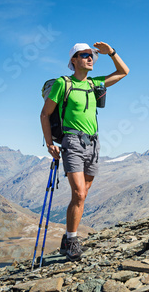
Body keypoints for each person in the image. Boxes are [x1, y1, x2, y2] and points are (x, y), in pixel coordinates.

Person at [40, 41, 129, 261]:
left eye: (91, 55)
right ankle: (72, 241)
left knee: (83, 195)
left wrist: (112, 53)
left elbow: (123, 72)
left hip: (94, 143)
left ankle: (66, 239)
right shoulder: (63, 83)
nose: (90, 58)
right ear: (73, 60)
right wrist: (50, 143)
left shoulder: (94, 83)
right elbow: (45, 114)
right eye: (84, 55)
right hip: (72, 142)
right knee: (78, 193)